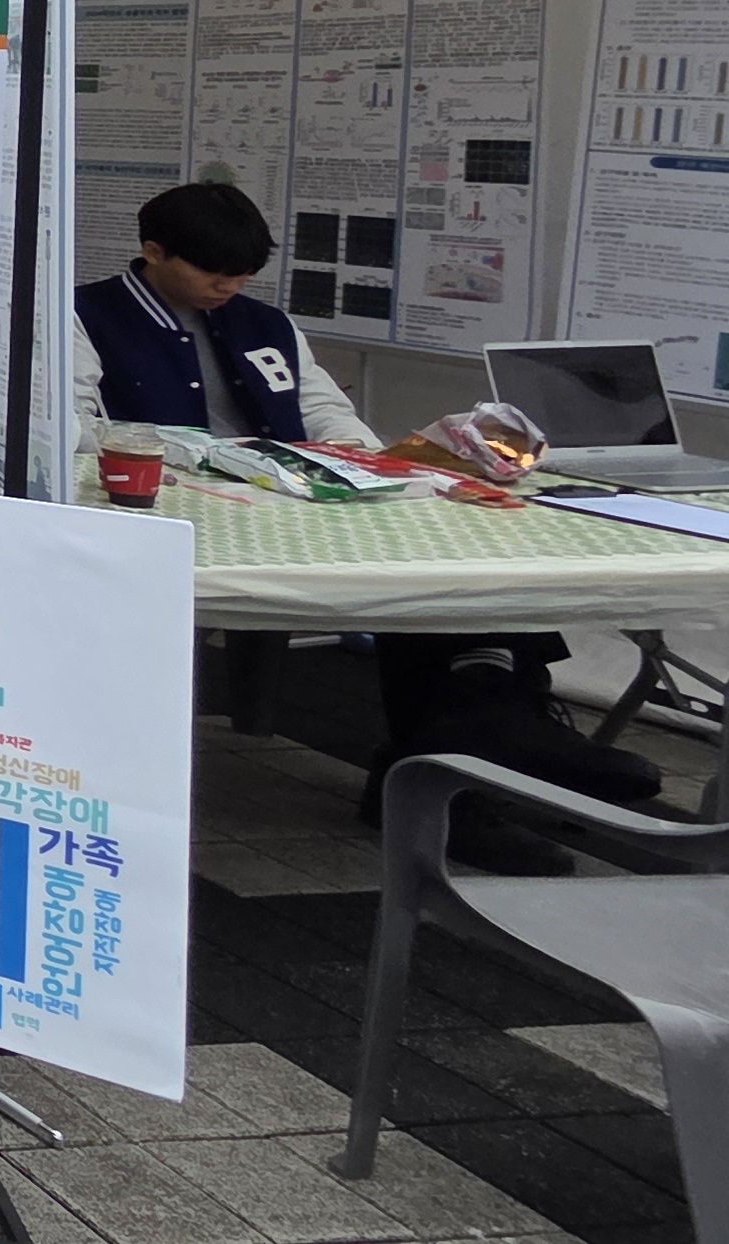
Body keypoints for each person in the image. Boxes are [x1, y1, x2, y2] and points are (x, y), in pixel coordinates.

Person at [71, 180, 658, 874]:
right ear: (153, 251)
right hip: (187, 513)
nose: (228, 288)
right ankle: (473, 751)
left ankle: (485, 726)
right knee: (405, 585)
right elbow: (73, 426)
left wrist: (371, 462)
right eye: (213, 273)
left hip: (299, 503)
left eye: (243, 276)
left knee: (446, 545)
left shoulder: (266, 324)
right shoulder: (84, 316)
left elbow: (326, 414)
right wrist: (200, 455)